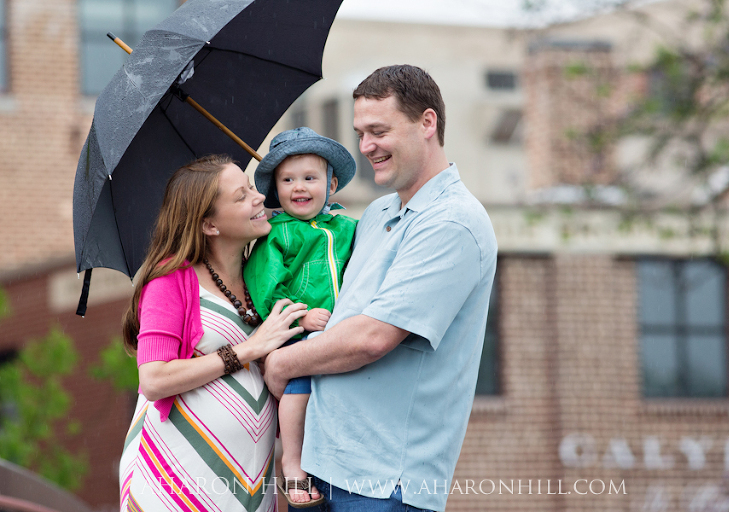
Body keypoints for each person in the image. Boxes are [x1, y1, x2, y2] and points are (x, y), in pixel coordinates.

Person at [263, 65, 498, 512]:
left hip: (385, 485)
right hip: (324, 469)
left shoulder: (453, 222)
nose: (365, 146)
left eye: (378, 131)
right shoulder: (375, 215)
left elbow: (371, 338)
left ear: (427, 123)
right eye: (360, 132)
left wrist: (281, 363)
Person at [118, 155, 308, 512]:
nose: (257, 198)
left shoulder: (263, 278)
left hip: (252, 481)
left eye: (252, 187)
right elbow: (154, 378)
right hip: (176, 484)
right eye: (240, 196)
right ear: (209, 225)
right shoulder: (170, 280)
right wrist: (248, 349)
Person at [243, 127, 357, 507]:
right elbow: (265, 292)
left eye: (310, 178)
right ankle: (291, 462)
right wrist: (301, 319)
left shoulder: (345, 228)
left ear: (332, 182)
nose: (299, 187)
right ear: (275, 189)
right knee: (300, 382)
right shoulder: (277, 235)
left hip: (342, 330)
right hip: (300, 332)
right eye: (287, 180)